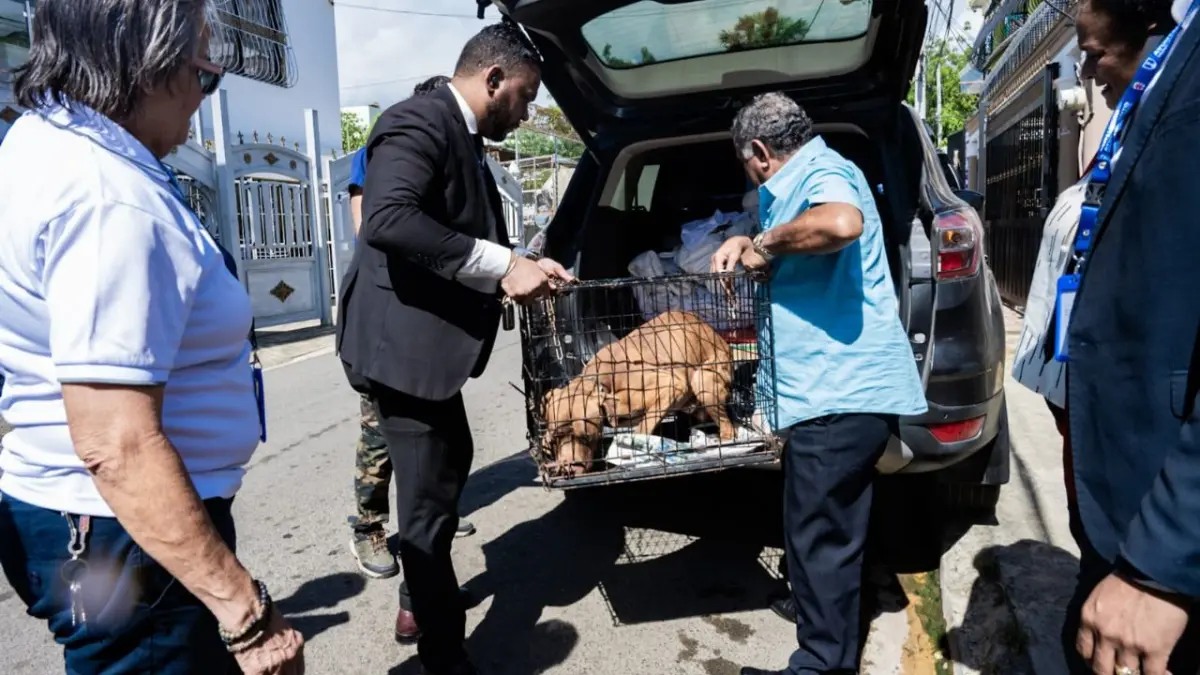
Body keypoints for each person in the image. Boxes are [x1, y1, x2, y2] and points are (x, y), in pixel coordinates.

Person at [0, 1, 304, 674]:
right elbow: (118, 443)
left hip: (96, 520)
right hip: (128, 532)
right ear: (143, 63)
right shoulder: (107, 197)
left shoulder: (43, 140)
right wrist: (246, 615)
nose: (204, 94)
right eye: (203, 72)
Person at [336, 21, 573, 674]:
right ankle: (443, 649)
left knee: (444, 477)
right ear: (492, 77)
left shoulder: (464, 137)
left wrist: (525, 264)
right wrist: (502, 267)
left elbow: (456, 236)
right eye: (524, 97)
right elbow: (386, 219)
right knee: (425, 508)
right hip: (400, 357)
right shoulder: (419, 119)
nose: (526, 114)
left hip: (426, 359)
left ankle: (431, 605)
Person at [712, 93, 927, 675]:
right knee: (823, 531)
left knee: (818, 538)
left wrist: (763, 242)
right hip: (829, 396)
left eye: (747, 167)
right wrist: (746, 239)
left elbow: (839, 223)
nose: (752, 179)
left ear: (760, 153)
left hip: (840, 395)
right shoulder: (810, 178)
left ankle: (820, 663)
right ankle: (823, 625)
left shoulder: (825, 172)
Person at [1061, 0, 1200, 673]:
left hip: (1168, 522)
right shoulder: (1177, 50)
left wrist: (1165, 560)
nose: (1086, 69)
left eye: (1092, 52)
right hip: (1121, 493)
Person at [1012, 0, 1178, 545]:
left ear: (1150, 32)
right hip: (1081, 391)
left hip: (1130, 408)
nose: (1084, 72)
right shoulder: (1134, 117)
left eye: (1092, 53)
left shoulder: (1175, 124)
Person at [345, 73, 475, 582]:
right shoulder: (391, 142)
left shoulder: (449, 147)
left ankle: (427, 516)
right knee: (379, 433)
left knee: (436, 448)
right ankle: (370, 525)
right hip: (389, 315)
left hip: (427, 316)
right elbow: (371, 229)